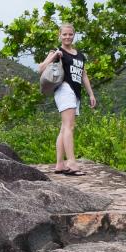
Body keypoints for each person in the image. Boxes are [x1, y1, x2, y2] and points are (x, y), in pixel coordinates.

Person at [37, 23, 97, 175]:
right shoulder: (57, 51)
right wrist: (54, 57)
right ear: (60, 35)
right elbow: (41, 68)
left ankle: (59, 164)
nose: (67, 37)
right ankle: (71, 162)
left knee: (64, 128)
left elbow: (84, 75)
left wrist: (91, 94)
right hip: (64, 89)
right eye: (64, 34)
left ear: (74, 35)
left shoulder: (80, 55)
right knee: (69, 127)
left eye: (70, 34)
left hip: (75, 92)